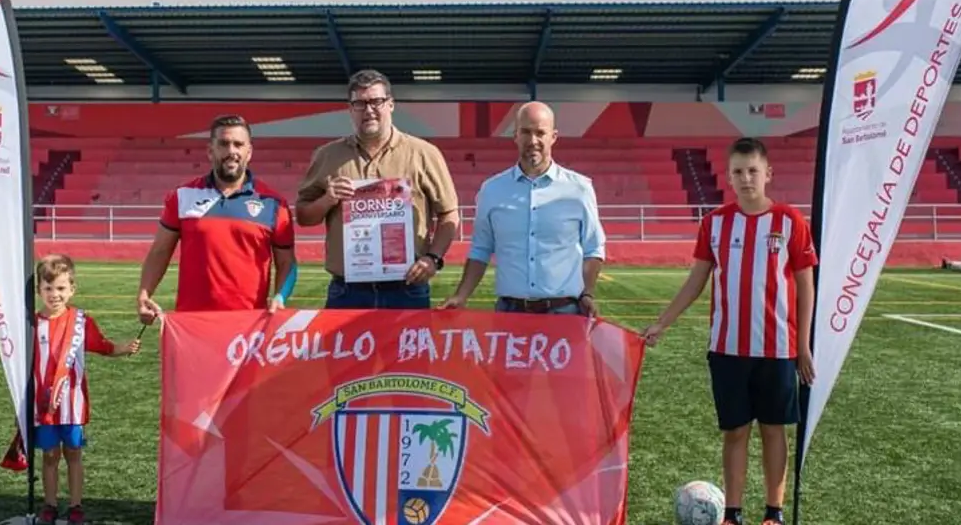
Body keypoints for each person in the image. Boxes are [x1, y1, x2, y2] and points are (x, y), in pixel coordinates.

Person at [642, 137, 817, 525]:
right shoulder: (715, 223)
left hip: (778, 350)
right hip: (727, 350)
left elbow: (806, 285)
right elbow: (696, 281)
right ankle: (732, 514)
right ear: (729, 177)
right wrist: (662, 322)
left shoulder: (790, 221)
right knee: (735, 432)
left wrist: (803, 346)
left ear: (768, 173)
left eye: (753, 170)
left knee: (774, 431)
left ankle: (773, 512)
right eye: (738, 171)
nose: (746, 178)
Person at [295, 69, 459, 309]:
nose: (368, 110)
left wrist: (433, 258)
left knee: (408, 349)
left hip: (406, 288)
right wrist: (328, 199)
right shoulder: (326, 155)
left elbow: (449, 214)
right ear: (350, 108)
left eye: (376, 101)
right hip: (347, 291)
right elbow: (303, 216)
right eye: (359, 103)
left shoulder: (424, 153)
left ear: (391, 104)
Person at [438, 101, 605, 315]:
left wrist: (588, 293)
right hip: (510, 313)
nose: (533, 140)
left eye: (540, 133)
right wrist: (461, 295)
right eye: (526, 132)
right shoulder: (492, 190)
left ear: (553, 137)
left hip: (564, 313)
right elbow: (481, 248)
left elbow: (593, 248)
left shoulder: (579, 188)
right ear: (515, 136)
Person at [137, 114, 297, 323]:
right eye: (223, 144)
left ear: (249, 152)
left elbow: (287, 262)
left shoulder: (274, 203)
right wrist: (144, 295)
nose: (231, 151)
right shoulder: (182, 196)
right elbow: (160, 251)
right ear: (210, 151)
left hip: (249, 323)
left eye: (238, 145)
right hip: (193, 321)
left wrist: (280, 296)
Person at [32, 253, 140, 525]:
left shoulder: (80, 322)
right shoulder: (31, 324)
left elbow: (102, 346)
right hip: (44, 406)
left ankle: (76, 505)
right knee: (49, 456)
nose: (54, 294)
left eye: (60, 288)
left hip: (72, 405)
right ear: (38, 290)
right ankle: (50, 504)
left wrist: (123, 348)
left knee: (74, 453)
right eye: (48, 288)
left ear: (72, 289)